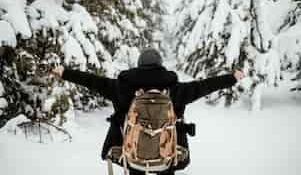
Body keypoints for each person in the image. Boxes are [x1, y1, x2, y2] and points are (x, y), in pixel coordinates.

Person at [52, 48, 245, 175]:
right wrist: (232, 78)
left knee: (135, 162)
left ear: (139, 65)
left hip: (130, 152)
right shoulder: (175, 89)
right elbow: (205, 85)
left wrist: (65, 72)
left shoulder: (121, 87)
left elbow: (92, 80)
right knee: (167, 159)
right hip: (168, 154)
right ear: (161, 64)